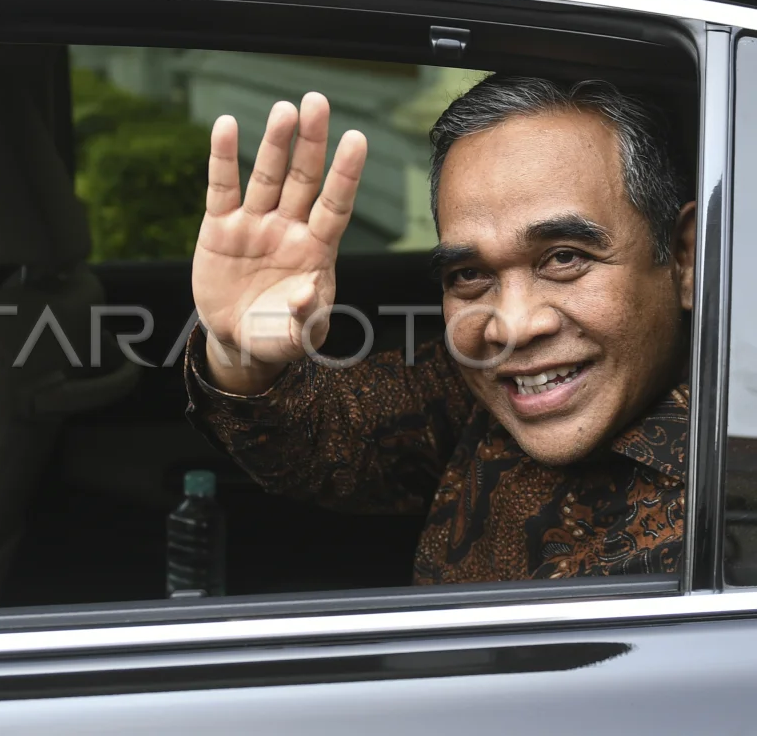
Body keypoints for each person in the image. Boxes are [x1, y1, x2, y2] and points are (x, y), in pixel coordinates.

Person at [184, 75, 695, 583]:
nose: (512, 326)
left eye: (565, 258)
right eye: (469, 275)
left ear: (684, 258)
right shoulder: (474, 386)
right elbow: (318, 440)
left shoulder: (718, 508)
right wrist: (240, 350)